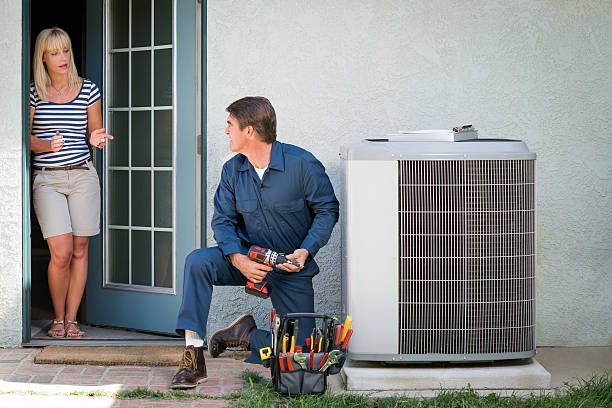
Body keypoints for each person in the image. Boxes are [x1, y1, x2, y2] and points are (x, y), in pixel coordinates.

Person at [171, 96, 339, 389]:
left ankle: (247, 335)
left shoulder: (302, 165)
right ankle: (193, 358)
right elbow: (222, 221)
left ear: (249, 131)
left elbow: (328, 210)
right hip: (247, 260)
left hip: (289, 269)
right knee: (197, 261)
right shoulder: (232, 171)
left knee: (301, 359)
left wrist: (306, 249)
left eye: (230, 125)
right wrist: (239, 259)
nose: (226, 131)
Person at [29, 27, 113, 338]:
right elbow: (25, 138)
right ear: (43, 58)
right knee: (61, 251)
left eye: (65, 50)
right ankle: (57, 318)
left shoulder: (88, 89)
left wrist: (96, 138)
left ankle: (72, 320)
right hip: (48, 180)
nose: (62, 57)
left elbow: (95, 133)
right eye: (54, 52)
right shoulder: (34, 92)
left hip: (82, 175)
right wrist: (45, 145)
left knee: (80, 248)